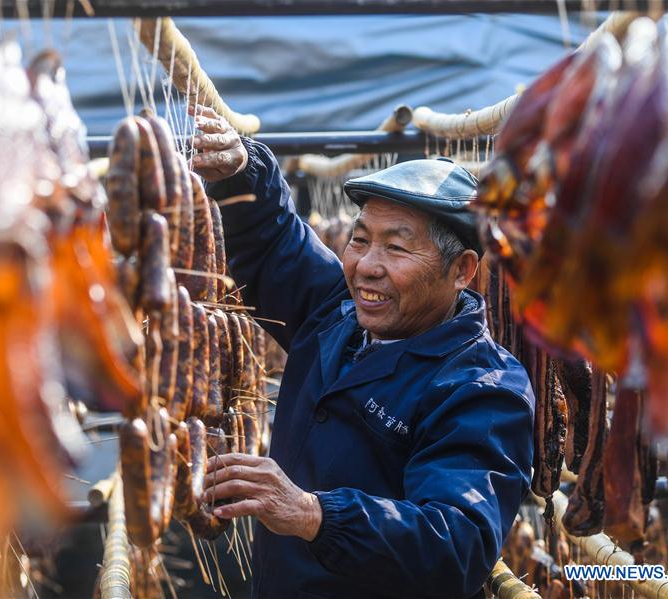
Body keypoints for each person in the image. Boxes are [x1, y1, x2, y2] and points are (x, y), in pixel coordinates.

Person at [189, 105, 536, 599]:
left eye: (396, 248)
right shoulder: (336, 316)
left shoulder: (483, 387)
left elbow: (457, 544)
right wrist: (243, 172)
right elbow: (274, 244)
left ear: (461, 271)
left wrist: (313, 514)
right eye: (360, 240)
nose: (366, 266)